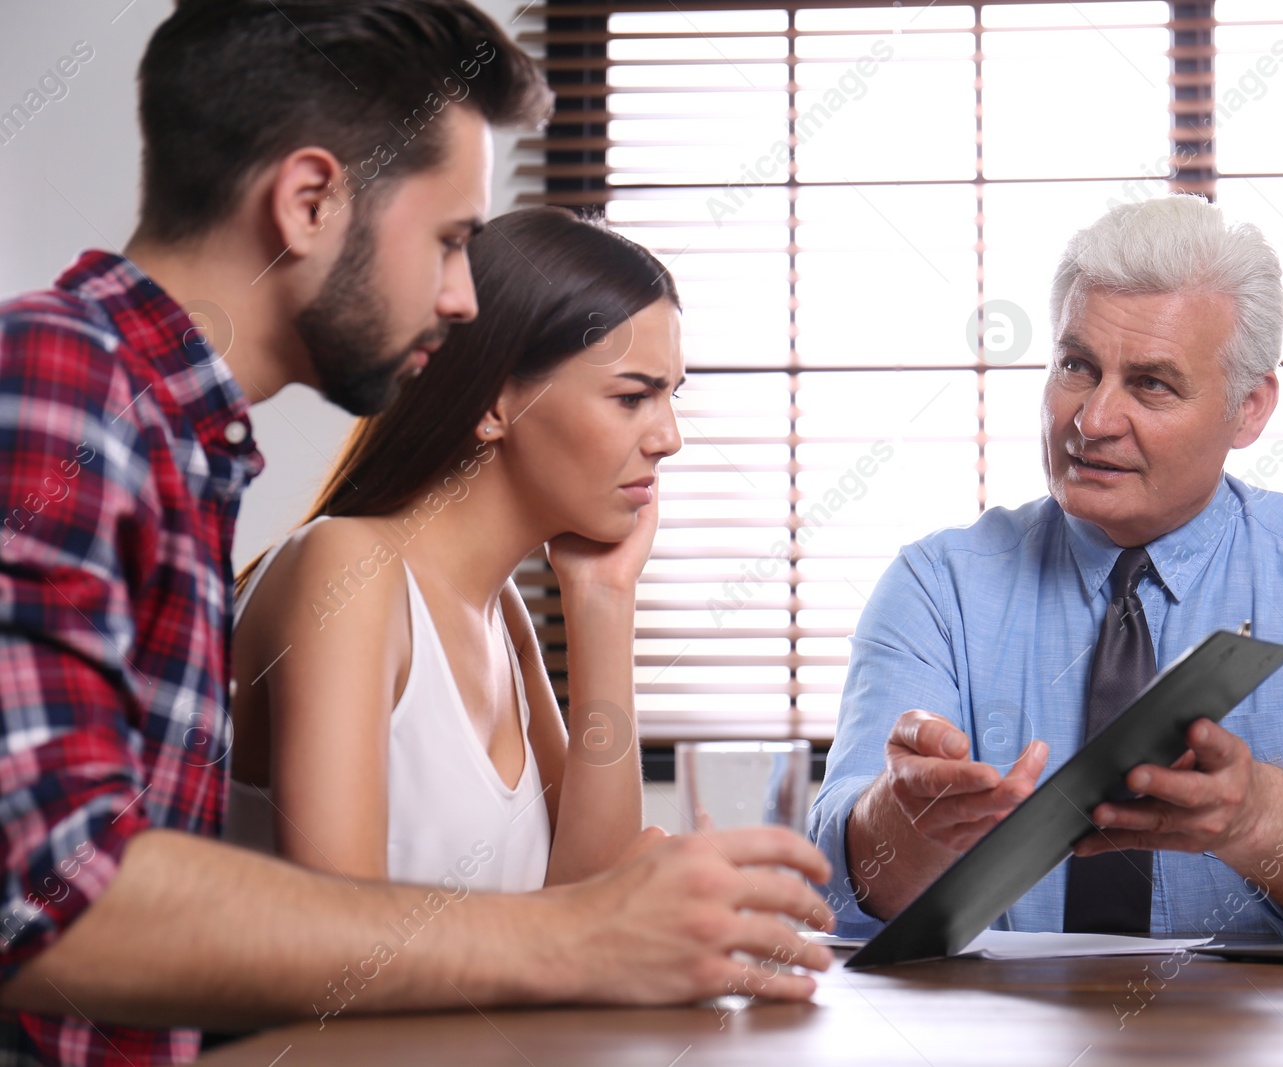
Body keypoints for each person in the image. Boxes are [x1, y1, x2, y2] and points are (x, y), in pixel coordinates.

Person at [0, 4, 831, 1065]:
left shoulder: (179, 444)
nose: (460, 297)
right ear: (307, 203)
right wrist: (580, 936)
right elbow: (43, 891)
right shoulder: (62, 380)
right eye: (449, 240)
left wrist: (605, 605)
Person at [810, 194, 1283, 939]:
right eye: (1076, 366)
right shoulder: (936, 586)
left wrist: (1258, 820)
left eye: (1151, 383)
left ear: (1249, 408)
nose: (1092, 421)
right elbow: (832, 890)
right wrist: (900, 824)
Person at [224, 207, 680, 895]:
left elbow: (590, 914)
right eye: (631, 398)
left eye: (671, 396)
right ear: (493, 403)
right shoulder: (347, 570)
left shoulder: (502, 613)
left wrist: (605, 597)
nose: (669, 437)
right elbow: (339, 957)